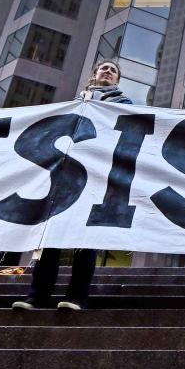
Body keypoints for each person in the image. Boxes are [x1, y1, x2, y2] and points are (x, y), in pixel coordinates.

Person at [13, 60, 134, 311]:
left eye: (113, 70)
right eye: (104, 68)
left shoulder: (124, 105)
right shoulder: (74, 103)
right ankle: (37, 296)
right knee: (50, 237)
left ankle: (76, 297)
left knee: (85, 238)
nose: (108, 72)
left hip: (97, 176)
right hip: (65, 176)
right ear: (94, 75)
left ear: (118, 81)